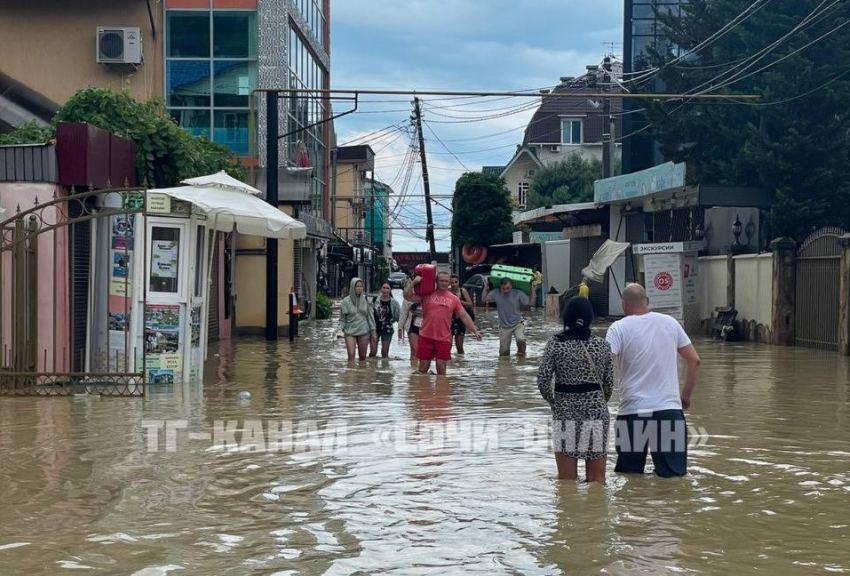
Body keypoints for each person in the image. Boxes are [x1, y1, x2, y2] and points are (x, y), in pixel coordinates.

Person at [605, 283, 701, 478]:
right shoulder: (670, 323)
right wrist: (685, 397)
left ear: (623, 305)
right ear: (647, 301)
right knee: (673, 480)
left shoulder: (617, 328)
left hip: (632, 413)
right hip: (668, 412)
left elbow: (604, 364)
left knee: (628, 478)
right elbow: (694, 361)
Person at [537, 297, 613, 483]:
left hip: (566, 411)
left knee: (567, 482)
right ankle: (595, 512)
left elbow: (543, 379)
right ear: (590, 318)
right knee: (597, 481)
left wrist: (554, 403)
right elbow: (609, 384)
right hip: (595, 412)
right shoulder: (602, 345)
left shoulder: (555, 343)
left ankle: (571, 513)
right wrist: (598, 402)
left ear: (566, 317)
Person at [403, 271, 482, 375]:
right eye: (441, 281)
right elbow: (407, 296)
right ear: (436, 281)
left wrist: (475, 330)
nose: (444, 283)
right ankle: (422, 390)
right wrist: (413, 283)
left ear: (449, 282)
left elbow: (464, 316)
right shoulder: (427, 294)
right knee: (423, 369)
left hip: (444, 338)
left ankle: (441, 390)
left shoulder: (453, 298)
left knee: (441, 368)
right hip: (426, 336)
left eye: (446, 281)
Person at [482, 276, 538, 356]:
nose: (506, 290)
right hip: (504, 326)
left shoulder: (518, 293)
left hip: (517, 324)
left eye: (508, 288)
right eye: (503, 288)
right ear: (500, 287)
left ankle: (521, 361)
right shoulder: (496, 293)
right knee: (504, 353)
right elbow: (483, 299)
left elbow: (531, 303)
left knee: (521, 340)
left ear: (512, 285)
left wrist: (533, 289)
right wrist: (486, 286)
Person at [339, 278, 376, 361]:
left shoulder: (367, 300)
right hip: (350, 331)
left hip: (363, 330)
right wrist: (339, 331)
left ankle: (360, 373)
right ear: (352, 287)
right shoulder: (345, 301)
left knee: (362, 356)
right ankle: (351, 373)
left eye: (361, 286)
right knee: (351, 355)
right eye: (357, 286)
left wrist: (373, 331)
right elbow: (342, 319)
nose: (359, 288)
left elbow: (370, 317)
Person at [370, 282, 400, 358]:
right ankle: (372, 367)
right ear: (381, 289)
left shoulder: (394, 303)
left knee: (384, 353)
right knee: (373, 352)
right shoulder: (374, 301)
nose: (385, 290)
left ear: (390, 290)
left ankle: (385, 368)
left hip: (387, 330)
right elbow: (369, 315)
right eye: (384, 288)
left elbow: (398, 317)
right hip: (375, 329)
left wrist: (401, 328)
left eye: (387, 288)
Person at [448, 274, 475, 354]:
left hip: (460, 320)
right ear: (449, 283)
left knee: (459, 346)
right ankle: (448, 363)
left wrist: (458, 300)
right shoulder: (447, 291)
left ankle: (461, 363)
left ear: (458, 282)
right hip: (449, 320)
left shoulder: (462, 291)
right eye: (452, 282)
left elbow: (470, 304)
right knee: (448, 345)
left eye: (456, 282)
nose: (454, 284)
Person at [398, 295, 422, 361]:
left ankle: (422, 369)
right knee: (414, 351)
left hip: (426, 326)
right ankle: (413, 369)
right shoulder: (408, 296)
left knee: (424, 352)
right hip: (412, 326)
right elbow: (403, 313)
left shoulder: (431, 294)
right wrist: (400, 327)